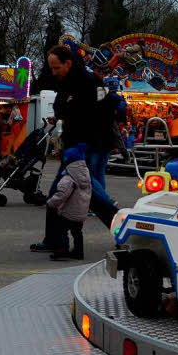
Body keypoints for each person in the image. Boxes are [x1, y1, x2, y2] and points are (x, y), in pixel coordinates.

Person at [30, 46, 118, 255]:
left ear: (68, 63)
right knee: (68, 194)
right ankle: (54, 239)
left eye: (56, 67)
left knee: (94, 197)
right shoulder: (68, 83)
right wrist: (68, 108)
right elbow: (62, 108)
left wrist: (70, 109)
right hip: (74, 147)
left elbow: (101, 110)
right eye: (52, 68)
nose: (54, 72)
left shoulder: (89, 81)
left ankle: (127, 232)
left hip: (83, 147)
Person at [45, 145, 91, 261]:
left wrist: (51, 202)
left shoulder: (69, 177)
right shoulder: (86, 175)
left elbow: (61, 194)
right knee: (77, 232)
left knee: (61, 229)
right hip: (81, 212)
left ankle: (62, 249)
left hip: (68, 212)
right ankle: (79, 251)